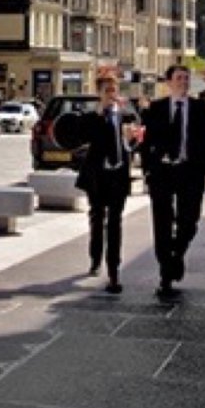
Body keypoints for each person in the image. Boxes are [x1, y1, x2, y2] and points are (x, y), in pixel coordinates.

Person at [139, 63, 205, 300]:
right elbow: (147, 142)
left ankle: (177, 254)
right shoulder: (157, 108)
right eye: (179, 78)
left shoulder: (200, 108)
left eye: (186, 78)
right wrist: (148, 170)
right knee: (162, 223)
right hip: (162, 172)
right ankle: (166, 272)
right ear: (169, 82)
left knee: (188, 221)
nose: (184, 82)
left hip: (190, 171)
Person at [74, 74, 133, 295]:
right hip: (97, 176)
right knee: (97, 216)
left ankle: (114, 269)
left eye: (114, 90)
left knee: (115, 221)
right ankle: (95, 258)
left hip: (118, 175)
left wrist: (132, 137)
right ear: (99, 93)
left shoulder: (124, 114)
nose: (111, 95)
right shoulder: (93, 116)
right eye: (107, 91)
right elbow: (84, 135)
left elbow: (133, 139)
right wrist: (100, 113)